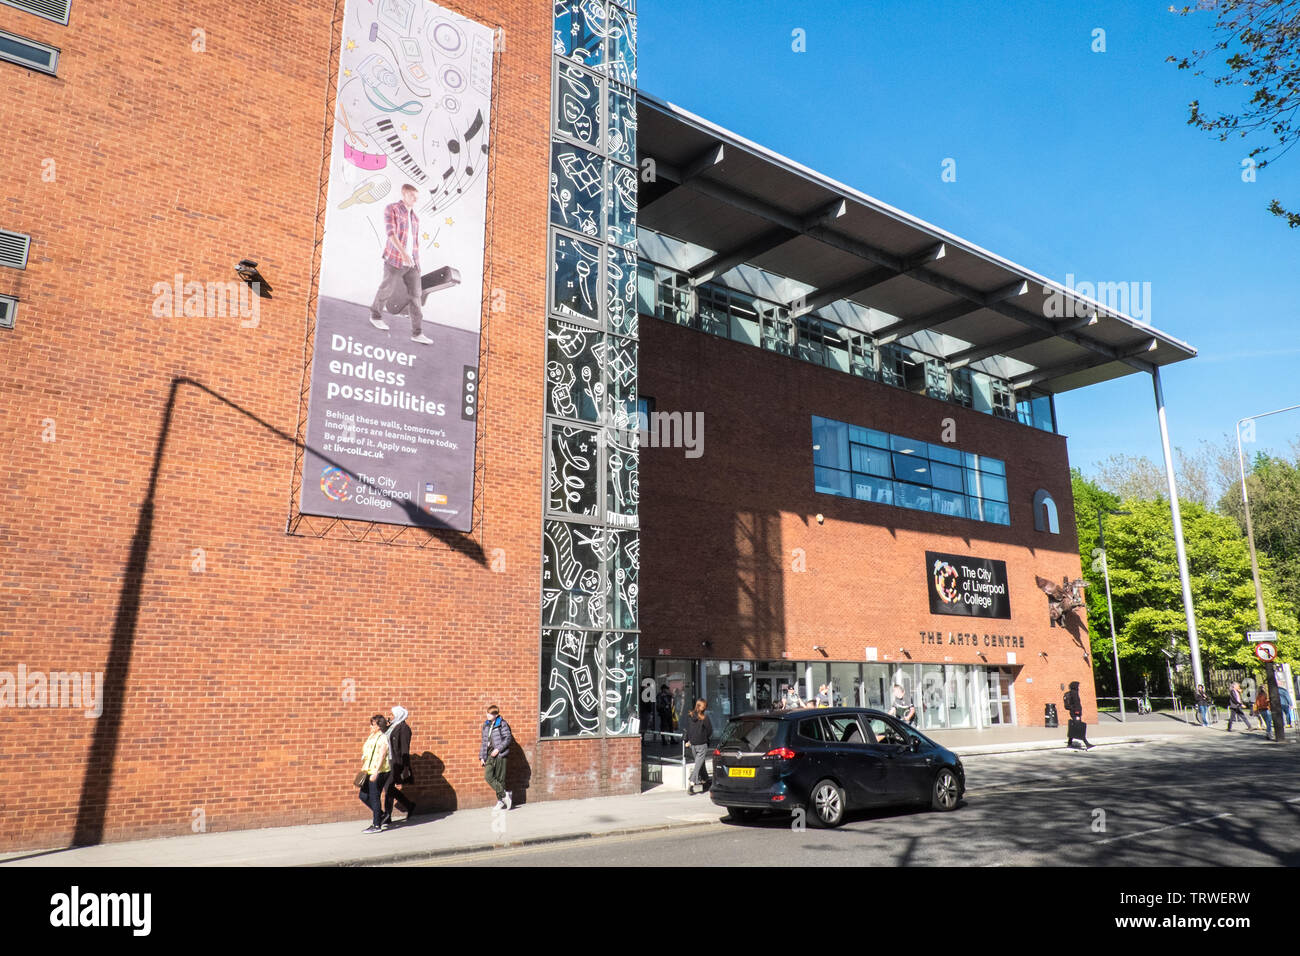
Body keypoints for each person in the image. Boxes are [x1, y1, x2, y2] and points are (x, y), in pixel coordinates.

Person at [368, 183, 433, 345]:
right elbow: (391, 234)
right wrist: (403, 253)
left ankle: (417, 333)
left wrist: (416, 262)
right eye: (412, 196)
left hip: (412, 264)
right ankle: (375, 316)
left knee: (416, 297)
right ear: (404, 194)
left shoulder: (415, 217)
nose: (415, 200)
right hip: (395, 260)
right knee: (387, 289)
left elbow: (414, 242)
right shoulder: (392, 209)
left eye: (417, 197)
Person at [381, 704, 415, 826]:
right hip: (387, 760)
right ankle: (409, 805)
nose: (389, 716)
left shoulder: (404, 728)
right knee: (388, 787)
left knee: (388, 786)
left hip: (396, 762)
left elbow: (405, 749)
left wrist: (405, 767)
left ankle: (387, 815)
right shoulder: (392, 726)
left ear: (398, 715)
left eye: (392, 714)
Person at [359, 714, 391, 833]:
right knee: (363, 795)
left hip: (379, 771)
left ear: (378, 726)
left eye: (372, 724)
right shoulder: (371, 737)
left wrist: (376, 772)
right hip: (369, 770)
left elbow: (382, 755)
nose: (370, 726)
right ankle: (382, 815)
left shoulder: (382, 738)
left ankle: (376, 825)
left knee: (374, 796)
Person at [479, 705, 513, 810]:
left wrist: (498, 749)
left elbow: (508, 738)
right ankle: (504, 795)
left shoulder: (502, 724)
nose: (488, 715)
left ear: (496, 715)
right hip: (489, 754)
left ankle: (500, 801)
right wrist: (482, 757)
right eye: (487, 713)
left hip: (500, 754)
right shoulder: (486, 725)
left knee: (500, 778)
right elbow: (484, 742)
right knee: (488, 776)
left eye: (490, 714)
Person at [682, 698, 713, 795]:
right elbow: (710, 731)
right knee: (698, 765)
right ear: (703, 707)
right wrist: (705, 737)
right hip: (702, 744)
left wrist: (687, 741)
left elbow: (687, 729)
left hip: (693, 745)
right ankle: (691, 783)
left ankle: (706, 781)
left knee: (700, 763)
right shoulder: (704, 718)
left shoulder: (690, 716)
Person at [1064, 680, 1093, 750]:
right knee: (1079, 727)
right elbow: (1076, 703)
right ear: (1075, 686)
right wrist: (1077, 711)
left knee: (1074, 726)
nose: (1079, 687)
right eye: (1078, 686)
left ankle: (1069, 743)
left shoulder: (1071, 693)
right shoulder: (1075, 693)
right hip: (1076, 713)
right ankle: (1087, 743)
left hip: (1072, 712)